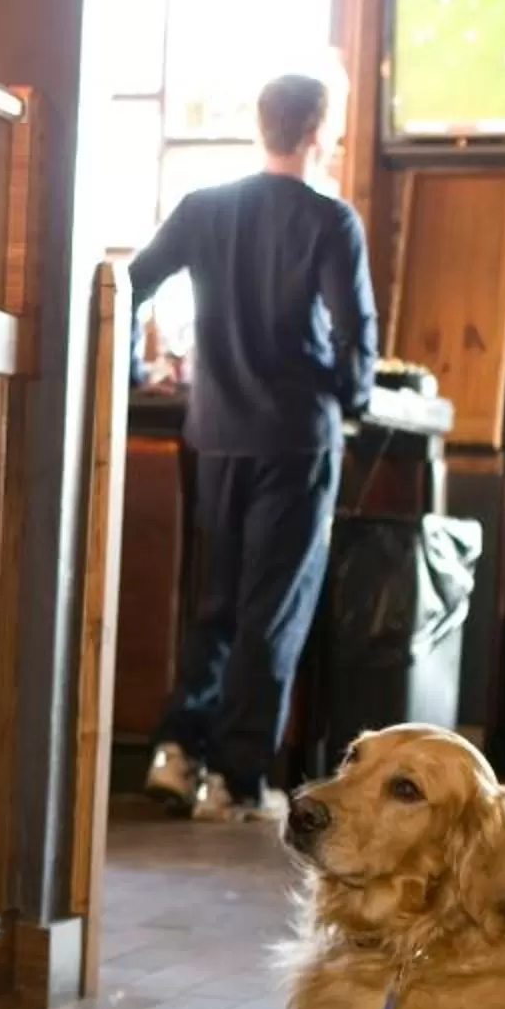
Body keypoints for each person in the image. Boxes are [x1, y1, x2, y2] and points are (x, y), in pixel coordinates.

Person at [131, 75, 380, 824]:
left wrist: (129, 372)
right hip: (297, 438)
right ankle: (238, 779)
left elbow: (129, 282)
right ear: (316, 134)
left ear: (261, 125)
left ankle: (176, 753)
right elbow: (354, 331)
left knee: (215, 603)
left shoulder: (204, 210)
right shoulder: (330, 221)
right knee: (272, 609)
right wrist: (355, 396)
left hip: (216, 433)